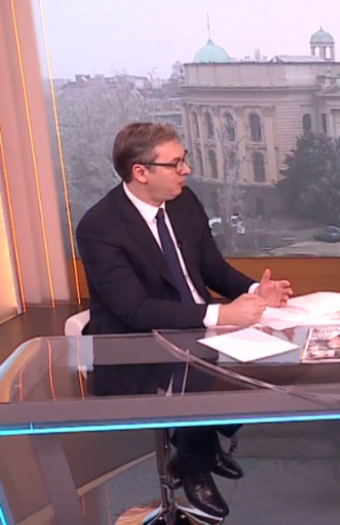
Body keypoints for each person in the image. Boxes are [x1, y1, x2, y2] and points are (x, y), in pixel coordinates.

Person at [76, 122, 293, 518]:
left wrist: (255, 290)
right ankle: (194, 461)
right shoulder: (99, 228)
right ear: (141, 172)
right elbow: (135, 310)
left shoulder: (183, 201)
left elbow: (213, 269)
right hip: (137, 342)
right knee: (205, 374)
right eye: (175, 164)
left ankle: (197, 448)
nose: (186, 170)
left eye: (184, 160)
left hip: (197, 326)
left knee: (272, 368)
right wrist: (221, 314)